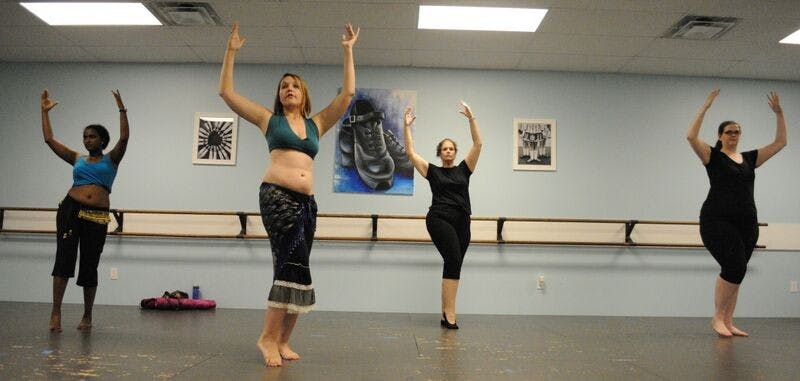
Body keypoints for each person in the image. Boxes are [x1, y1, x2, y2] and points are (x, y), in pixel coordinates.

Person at [218, 22, 358, 366]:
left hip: (306, 204)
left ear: (304, 94)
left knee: (301, 268)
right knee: (288, 265)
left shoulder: (316, 124)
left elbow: (347, 96)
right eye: (283, 86)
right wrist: (231, 52)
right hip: (276, 198)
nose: (289, 89)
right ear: (278, 95)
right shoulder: (269, 120)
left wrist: (347, 50)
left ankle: (282, 339)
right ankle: (266, 339)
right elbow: (227, 94)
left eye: (295, 85)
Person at [686, 89, 787, 337]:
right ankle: (717, 318)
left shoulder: (750, 159)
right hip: (717, 221)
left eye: (737, 131)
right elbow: (690, 137)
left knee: (738, 269)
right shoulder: (713, 156)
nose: (734, 135)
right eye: (729, 131)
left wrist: (779, 114)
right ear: (720, 136)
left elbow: (780, 143)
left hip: (747, 222)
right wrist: (705, 107)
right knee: (733, 265)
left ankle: (728, 321)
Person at [41, 89, 129, 332]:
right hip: (71, 210)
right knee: (64, 259)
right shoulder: (77, 158)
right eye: (85, 137)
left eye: (92, 137)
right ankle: (56, 312)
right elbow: (49, 140)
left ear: (102, 140)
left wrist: (122, 109)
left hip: (97, 216)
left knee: (90, 264)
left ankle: (87, 315)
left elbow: (124, 139)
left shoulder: (112, 159)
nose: (87, 140)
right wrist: (44, 112)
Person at [403, 101, 482, 329]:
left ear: (455, 153)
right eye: (444, 148)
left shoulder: (464, 169)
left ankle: (445, 314)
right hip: (439, 218)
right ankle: (450, 315)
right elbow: (410, 153)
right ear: (440, 153)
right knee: (453, 259)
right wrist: (406, 126)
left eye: (451, 148)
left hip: (462, 221)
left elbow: (478, 143)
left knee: (454, 264)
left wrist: (471, 119)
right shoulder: (432, 171)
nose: (448, 151)